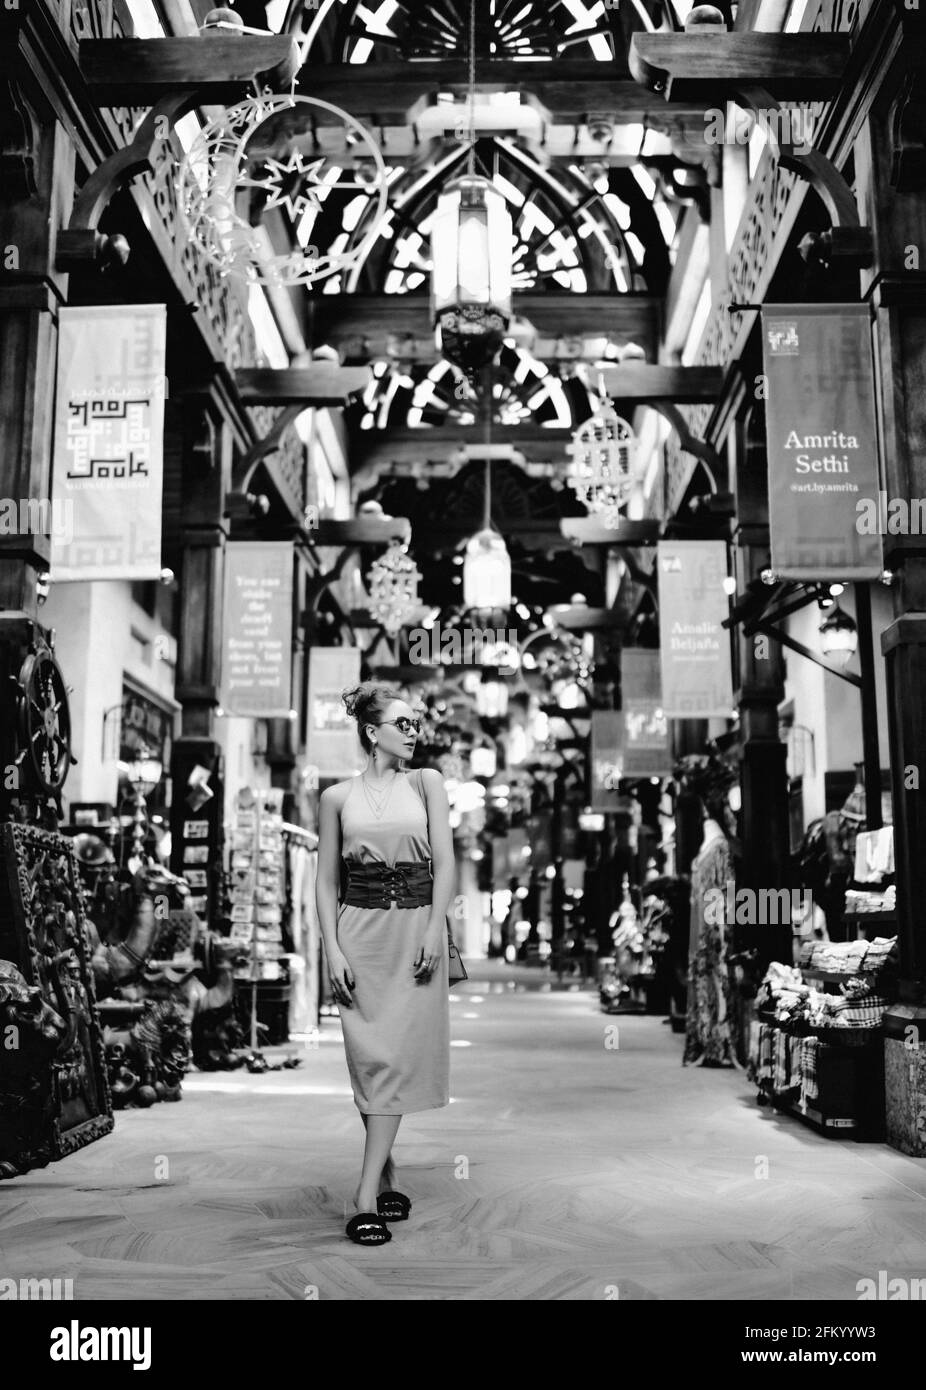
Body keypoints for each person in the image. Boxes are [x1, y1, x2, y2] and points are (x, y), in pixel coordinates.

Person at [315, 681, 454, 1245]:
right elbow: (325, 882)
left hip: (413, 932)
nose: (414, 732)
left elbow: (445, 865)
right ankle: (387, 1173)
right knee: (373, 1060)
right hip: (361, 934)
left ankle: (365, 1193)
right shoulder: (335, 797)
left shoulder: (428, 784)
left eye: (417, 723)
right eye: (404, 724)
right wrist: (331, 947)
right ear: (373, 733)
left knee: (397, 1059)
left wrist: (433, 929)